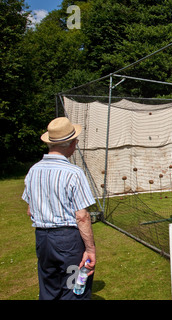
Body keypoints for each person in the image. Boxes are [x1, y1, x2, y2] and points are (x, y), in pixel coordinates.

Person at [22, 117, 96, 300]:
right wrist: (90, 249)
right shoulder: (74, 173)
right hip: (67, 242)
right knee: (74, 289)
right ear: (71, 144)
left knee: (48, 289)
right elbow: (82, 216)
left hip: (43, 240)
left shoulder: (33, 171)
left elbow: (30, 210)